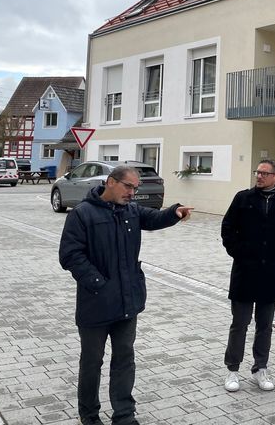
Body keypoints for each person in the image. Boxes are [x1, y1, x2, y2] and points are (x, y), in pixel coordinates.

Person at [59, 165, 193, 425]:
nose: (133, 193)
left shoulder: (130, 211)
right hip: (95, 304)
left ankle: (124, 414)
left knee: (124, 360)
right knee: (91, 363)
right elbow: (70, 255)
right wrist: (98, 282)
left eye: (136, 188)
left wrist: (174, 212)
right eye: (128, 186)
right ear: (110, 182)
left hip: (128, 302)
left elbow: (153, 218)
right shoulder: (82, 214)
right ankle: (89, 415)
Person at [221, 159, 275, 392]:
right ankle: (232, 370)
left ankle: (260, 368)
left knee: (265, 325)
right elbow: (227, 227)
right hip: (245, 271)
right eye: (258, 172)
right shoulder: (243, 198)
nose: (259, 176)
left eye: (265, 173)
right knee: (240, 323)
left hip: (271, 272)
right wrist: (237, 251)